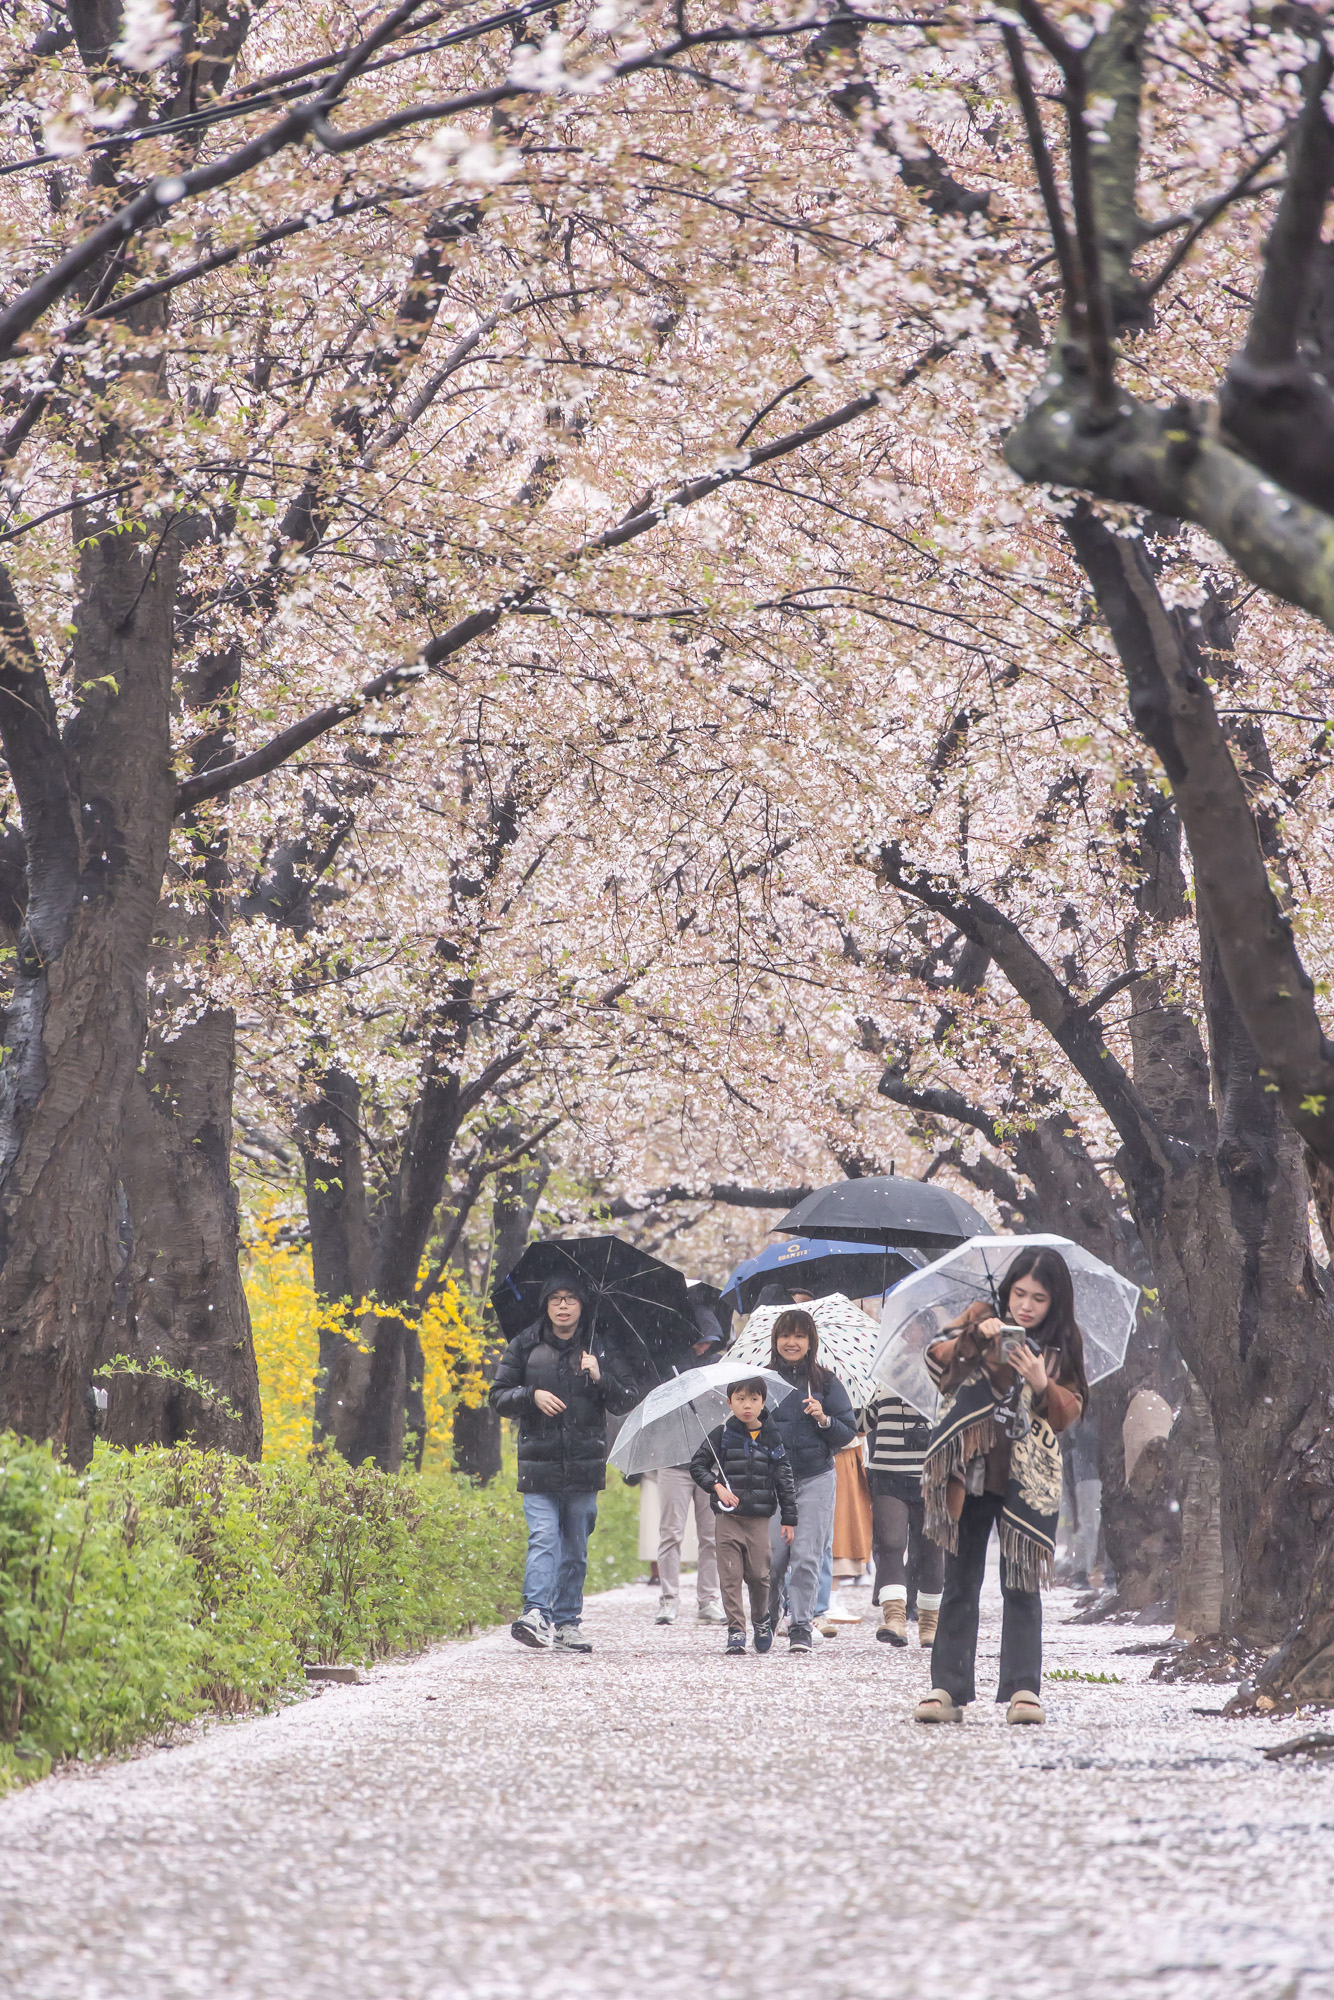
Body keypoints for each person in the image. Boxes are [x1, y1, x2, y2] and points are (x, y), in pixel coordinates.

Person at [913, 1247, 1087, 1726]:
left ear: (1055, 1302)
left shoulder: (1062, 1344)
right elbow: (937, 1362)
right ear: (1006, 1290)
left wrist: (1041, 1382)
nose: (1026, 1306)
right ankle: (946, 1689)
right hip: (968, 1475)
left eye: (1039, 1298)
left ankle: (1023, 1689)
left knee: (1021, 1584)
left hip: (1025, 1481)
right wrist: (975, 1336)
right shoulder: (981, 1318)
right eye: (1019, 1294)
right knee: (960, 1584)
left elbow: (1071, 1411)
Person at [490, 1275, 639, 1653]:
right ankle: (536, 1612)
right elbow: (498, 1396)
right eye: (555, 1298)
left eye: (570, 1298)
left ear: (582, 1305)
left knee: (574, 1547)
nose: (562, 1305)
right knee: (543, 1537)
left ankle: (567, 1622)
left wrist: (600, 1377)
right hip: (537, 1464)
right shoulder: (525, 1344)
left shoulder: (599, 1348)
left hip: (584, 1465)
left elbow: (626, 1400)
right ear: (545, 1305)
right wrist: (531, 1395)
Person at [766, 1308, 857, 1653]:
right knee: (773, 1559)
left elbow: (846, 1432)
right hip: (774, 1481)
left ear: (810, 1342)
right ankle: (768, 1614)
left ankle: (800, 1625)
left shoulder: (825, 1382)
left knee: (806, 1555)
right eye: (786, 1335)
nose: (792, 1342)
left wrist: (823, 1419)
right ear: (775, 1340)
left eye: (800, 1336)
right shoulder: (761, 1380)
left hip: (816, 1477)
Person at [690, 1376, 797, 1654]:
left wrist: (789, 1518)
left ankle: (761, 1619)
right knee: (730, 1575)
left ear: (763, 1402)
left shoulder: (772, 1437)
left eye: (753, 1399)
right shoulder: (721, 1434)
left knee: (760, 1575)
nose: (747, 1405)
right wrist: (716, 1487)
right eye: (740, 1399)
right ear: (729, 1403)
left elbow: (784, 1479)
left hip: (759, 1519)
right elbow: (698, 1465)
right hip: (727, 1519)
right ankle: (736, 1629)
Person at [656, 1300, 727, 1626]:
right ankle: (668, 1600)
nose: (702, 1346)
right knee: (670, 1533)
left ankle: (708, 1600)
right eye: (698, 1339)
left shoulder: (720, 1367)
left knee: (711, 1536)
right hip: (672, 1459)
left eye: (708, 1340)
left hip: (709, 1460)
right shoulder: (666, 1365)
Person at [862, 1388, 943, 1648]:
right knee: (890, 1543)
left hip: (934, 1476)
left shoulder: (942, 1381)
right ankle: (895, 1618)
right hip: (888, 1474)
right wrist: (828, 1416)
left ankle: (930, 1623)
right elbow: (864, 1422)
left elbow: (957, 1424)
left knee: (932, 1549)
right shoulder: (883, 1382)